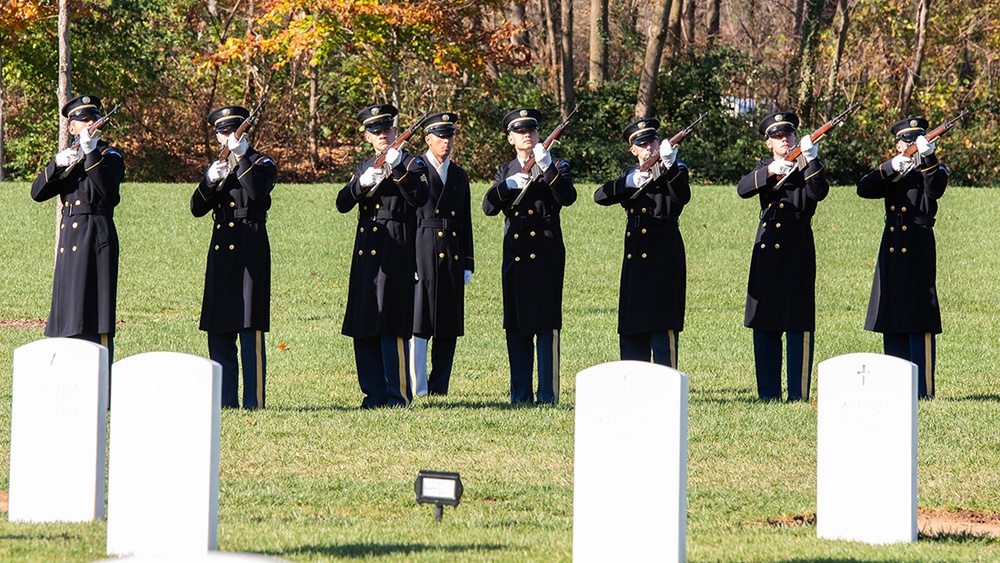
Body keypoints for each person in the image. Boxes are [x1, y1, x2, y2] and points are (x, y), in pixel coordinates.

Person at [336, 104, 428, 408]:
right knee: (364, 323)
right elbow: (342, 204)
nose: (383, 135)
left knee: (391, 323)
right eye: (376, 132)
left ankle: (398, 395)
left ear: (394, 130)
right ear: (368, 137)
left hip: (396, 247)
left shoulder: (413, 163)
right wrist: (360, 184)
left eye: (387, 129)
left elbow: (419, 197)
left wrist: (397, 167)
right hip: (366, 250)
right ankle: (372, 394)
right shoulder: (365, 165)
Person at [483, 108, 576, 404]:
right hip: (516, 250)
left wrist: (547, 169)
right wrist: (507, 187)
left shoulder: (557, 164)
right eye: (521, 131)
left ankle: (548, 394)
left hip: (547, 246)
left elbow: (568, 197)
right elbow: (488, 207)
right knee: (516, 322)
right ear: (511, 138)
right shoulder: (505, 171)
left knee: (547, 323)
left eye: (532, 130)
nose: (527, 135)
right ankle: (520, 393)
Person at [737, 111, 829, 401]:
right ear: (768, 144)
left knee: (798, 320)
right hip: (767, 247)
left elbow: (818, 192)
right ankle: (768, 393)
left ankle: (798, 393)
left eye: (788, 135)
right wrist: (772, 170)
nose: (785, 140)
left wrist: (811, 160)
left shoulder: (808, 164)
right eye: (778, 137)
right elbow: (743, 189)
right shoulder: (765, 167)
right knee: (765, 319)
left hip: (797, 242)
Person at [191, 105, 276, 409]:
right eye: (222, 132)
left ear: (243, 132)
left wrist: (241, 157)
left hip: (249, 243)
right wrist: (209, 182)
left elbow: (256, 193)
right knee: (220, 327)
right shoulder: (219, 164)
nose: (227, 136)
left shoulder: (261, 162)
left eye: (233, 130)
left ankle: (255, 401)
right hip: (221, 247)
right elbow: (197, 208)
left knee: (249, 327)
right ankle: (225, 401)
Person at [857, 117, 947, 399]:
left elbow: (936, 189)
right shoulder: (893, 169)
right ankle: (895, 387)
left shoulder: (932, 167)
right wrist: (889, 168)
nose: (912, 146)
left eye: (916, 141)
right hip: (892, 242)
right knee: (891, 312)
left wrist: (929, 157)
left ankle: (923, 390)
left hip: (918, 242)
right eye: (906, 142)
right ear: (898, 145)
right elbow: (864, 188)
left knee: (919, 312)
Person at [30, 94, 125, 362]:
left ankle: (101, 388)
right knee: (67, 315)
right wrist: (57, 164)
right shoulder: (70, 156)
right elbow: (37, 193)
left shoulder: (109, 154)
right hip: (70, 237)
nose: (89, 123)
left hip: (95, 235)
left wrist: (91, 151)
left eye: (93, 118)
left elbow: (108, 193)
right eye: (83, 120)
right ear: (71, 127)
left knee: (95, 314)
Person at [594, 118, 690, 368]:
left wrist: (669, 167)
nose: (649, 147)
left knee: (662, 327)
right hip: (635, 258)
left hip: (664, 256)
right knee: (632, 329)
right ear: (633, 149)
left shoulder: (676, 168)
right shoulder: (629, 174)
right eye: (642, 144)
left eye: (653, 141)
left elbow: (682, 197)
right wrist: (627, 183)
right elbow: (600, 196)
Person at [410, 112, 474, 396]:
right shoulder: (415, 169)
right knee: (420, 321)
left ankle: (439, 387)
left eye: (449, 136)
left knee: (448, 322)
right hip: (422, 245)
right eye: (440, 136)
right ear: (428, 139)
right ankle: (418, 386)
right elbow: (408, 217)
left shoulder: (459, 175)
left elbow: (466, 221)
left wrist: (468, 261)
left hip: (451, 250)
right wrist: (408, 259)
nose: (446, 142)